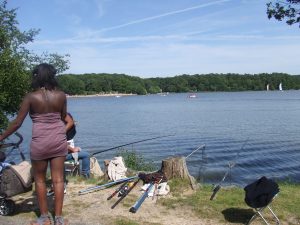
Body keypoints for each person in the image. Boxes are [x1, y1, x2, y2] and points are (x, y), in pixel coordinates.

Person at [0, 63, 69, 225]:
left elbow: (17, 123)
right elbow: (63, 116)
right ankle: (59, 218)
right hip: (59, 140)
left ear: (36, 76)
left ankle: (44, 218)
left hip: (40, 142)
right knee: (58, 180)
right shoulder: (61, 95)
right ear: (52, 76)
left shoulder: (30, 97)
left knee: (39, 180)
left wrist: (1, 137)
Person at [64, 113, 90, 178]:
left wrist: (73, 149)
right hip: (65, 155)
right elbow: (62, 143)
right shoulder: (62, 131)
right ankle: (85, 176)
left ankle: (72, 175)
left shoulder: (67, 129)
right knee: (86, 155)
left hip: (69, 152)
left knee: (76, 158)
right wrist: (73, 149)